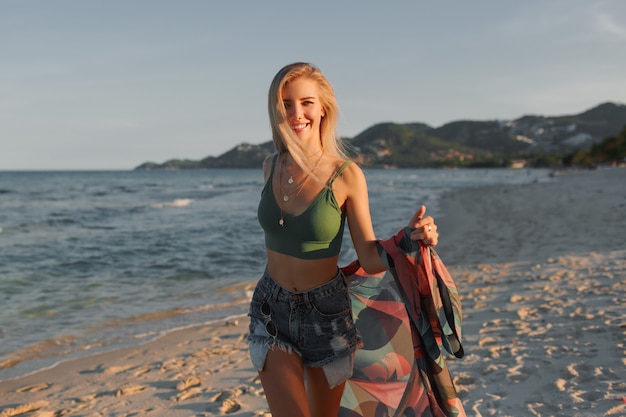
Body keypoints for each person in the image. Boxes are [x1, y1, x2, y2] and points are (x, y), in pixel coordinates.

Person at [248, 62, 439, 417]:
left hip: (327, 316)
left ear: (323, 108)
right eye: (285, 104)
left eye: (306, 102)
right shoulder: (270, 166)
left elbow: (368, 256)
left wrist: (410, 240)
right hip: (270, 308)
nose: (296, 113)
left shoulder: (346, 175)